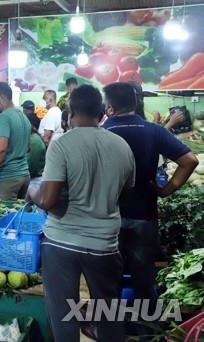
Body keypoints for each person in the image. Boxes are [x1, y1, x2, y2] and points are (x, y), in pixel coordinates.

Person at [27, 84, 136, 342]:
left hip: (62, 243)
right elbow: (125, 195)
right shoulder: (122, 146)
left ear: (71, 111)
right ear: (101, 112)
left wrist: (32, 192)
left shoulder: (62, 144)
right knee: (108, 312)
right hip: (105, 244)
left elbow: (47, 199)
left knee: (63, 314)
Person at [102, 82, 198, 339]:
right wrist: (167, 190)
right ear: (135, 102)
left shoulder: (102, 131)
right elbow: (190, 160)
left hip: (108, 219)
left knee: (109, 281)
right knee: (144, 280)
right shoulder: (152, 130)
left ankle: (113, 332)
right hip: (144, 215)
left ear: (109, 106)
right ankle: (148, 334)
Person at [0, 82, 31, 200]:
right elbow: (28, 147)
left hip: (7, 178)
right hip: (24, 175)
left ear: (1, 98)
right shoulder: (23, 117)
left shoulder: (3, 117)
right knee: (17, 215)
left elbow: (1, 149)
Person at [26, 126, 46, 192]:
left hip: (35, 181)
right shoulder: (33, 138)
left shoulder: (34, 141)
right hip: (34, 179)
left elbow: (31, 166)